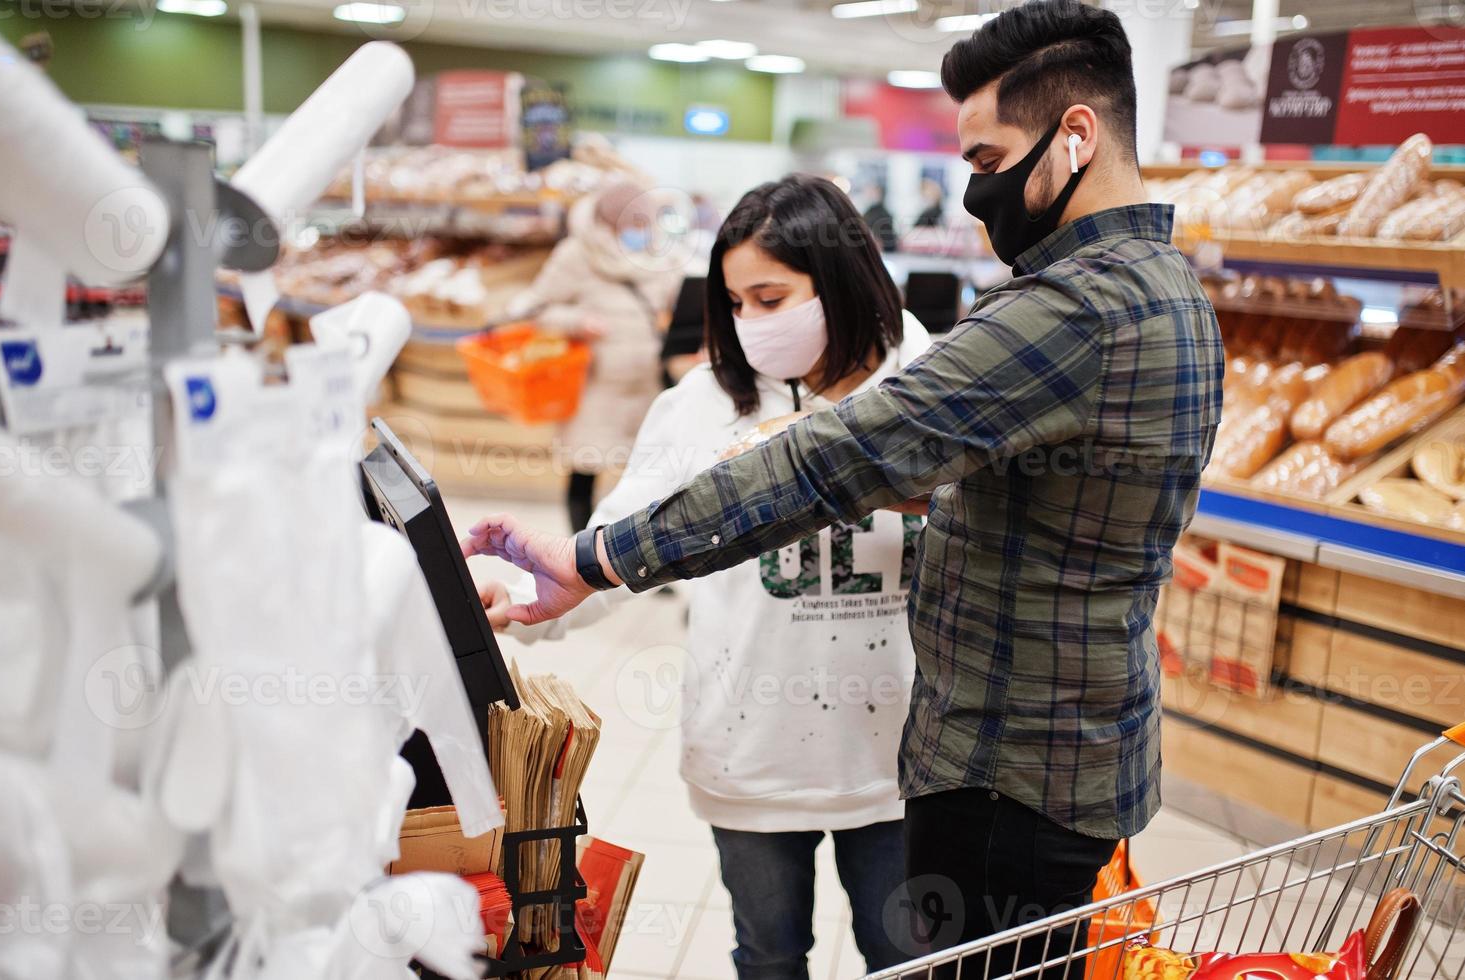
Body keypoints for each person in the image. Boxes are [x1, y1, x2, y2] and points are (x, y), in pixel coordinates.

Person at [465, 1, 1224, 976]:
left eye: (989, 162)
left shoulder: (1074, 310)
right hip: (1069, 748)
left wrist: (594, 556)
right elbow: (1064, 503)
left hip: (1006, 771)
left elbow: (829, 459)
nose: (974, 194)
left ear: (1076, 134)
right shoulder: (1171, 288)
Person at [476, 175, 932, 979]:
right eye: (737, 303)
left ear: (839, 281)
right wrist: (522, 603)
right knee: (766, 953)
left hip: (897, 757)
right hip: (748, 747)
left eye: (771, 297)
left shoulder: (924, 380)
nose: (752, 323)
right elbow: (613, 546)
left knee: (906, 958)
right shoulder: (697, 406)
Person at [509, 178, 683, 532]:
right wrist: (575, 321)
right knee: (585, 469)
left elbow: (672, 301)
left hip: (647, 385)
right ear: (610, 221)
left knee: (646, 476)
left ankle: (646, 558)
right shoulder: (578, 253)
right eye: (632, 223)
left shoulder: (658, 254)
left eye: (643, 222)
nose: (639, 230)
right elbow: (531, 308)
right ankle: (578, 556)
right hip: (595, 386)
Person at [858, 183, 899, 253]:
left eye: (873, 192)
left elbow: (886, 237)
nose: (869, 194)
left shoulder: (883, 213)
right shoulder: (869, 211)